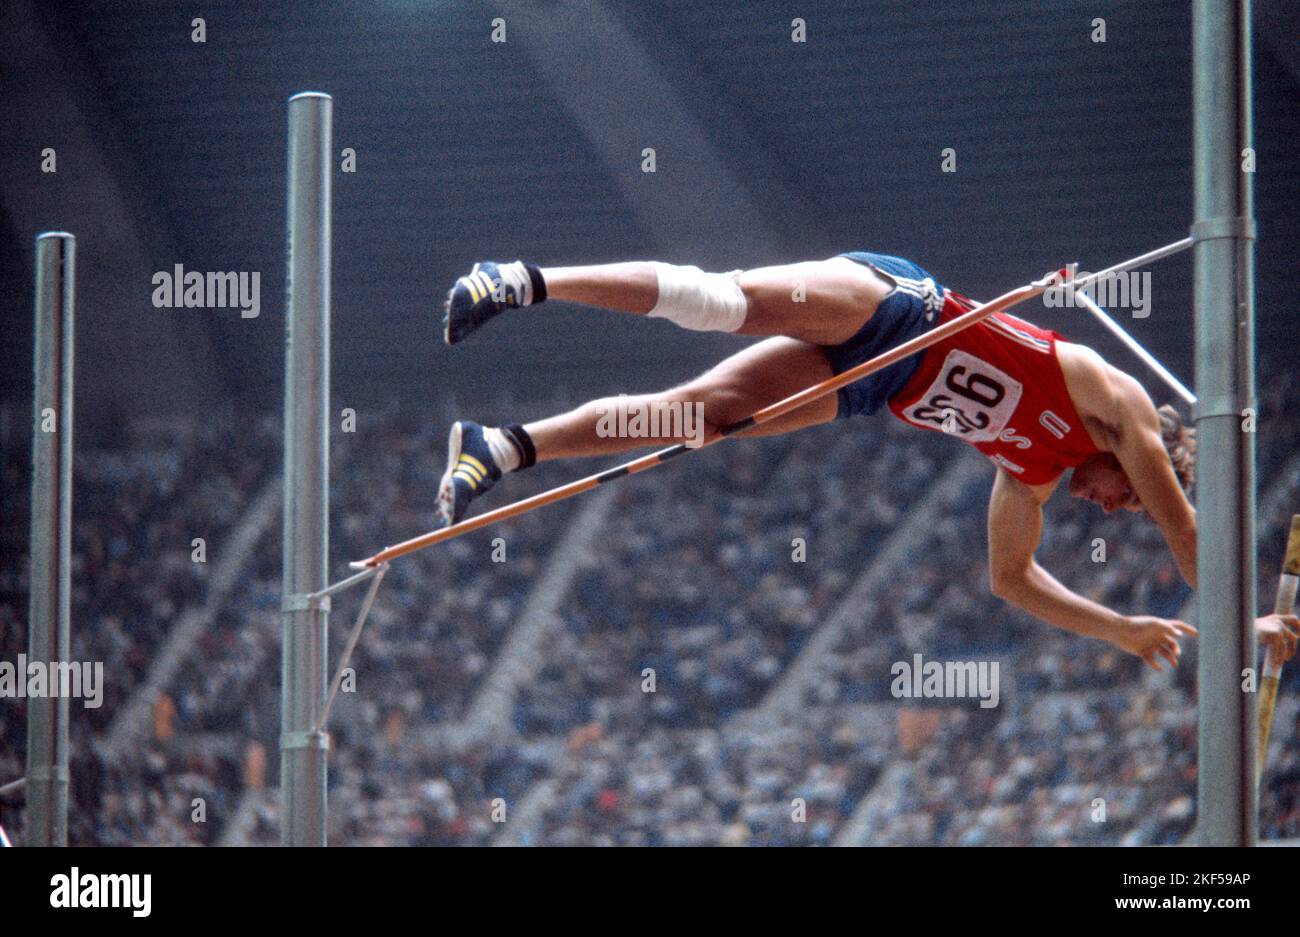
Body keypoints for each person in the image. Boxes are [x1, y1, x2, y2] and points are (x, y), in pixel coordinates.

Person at [436, 253, 1299, 670]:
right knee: (719, 302)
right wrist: (1241, 625)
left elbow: (1011, 578)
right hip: (898, 309)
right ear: (1150, 466)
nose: (1113, 509)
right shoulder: (1121, 410)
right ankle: (521, 279)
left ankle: (503, 445)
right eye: (1125, 503)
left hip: (870, 387)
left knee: (698, 417)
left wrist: (1124, 628)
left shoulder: (1031, 474)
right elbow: (1185, 527)